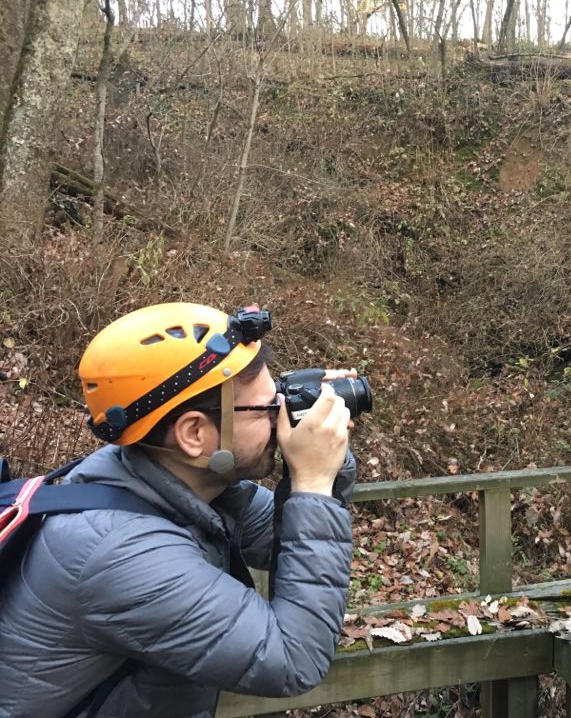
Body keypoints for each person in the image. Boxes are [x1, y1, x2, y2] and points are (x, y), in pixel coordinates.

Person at [0, 302, 357, 718]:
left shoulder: (173, 483)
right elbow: (293, 659)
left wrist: (323, 457)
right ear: (193, 434)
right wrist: (313, 481)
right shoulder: (119, 553)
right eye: (266, 408)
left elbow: (286, 537)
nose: (280, 414)